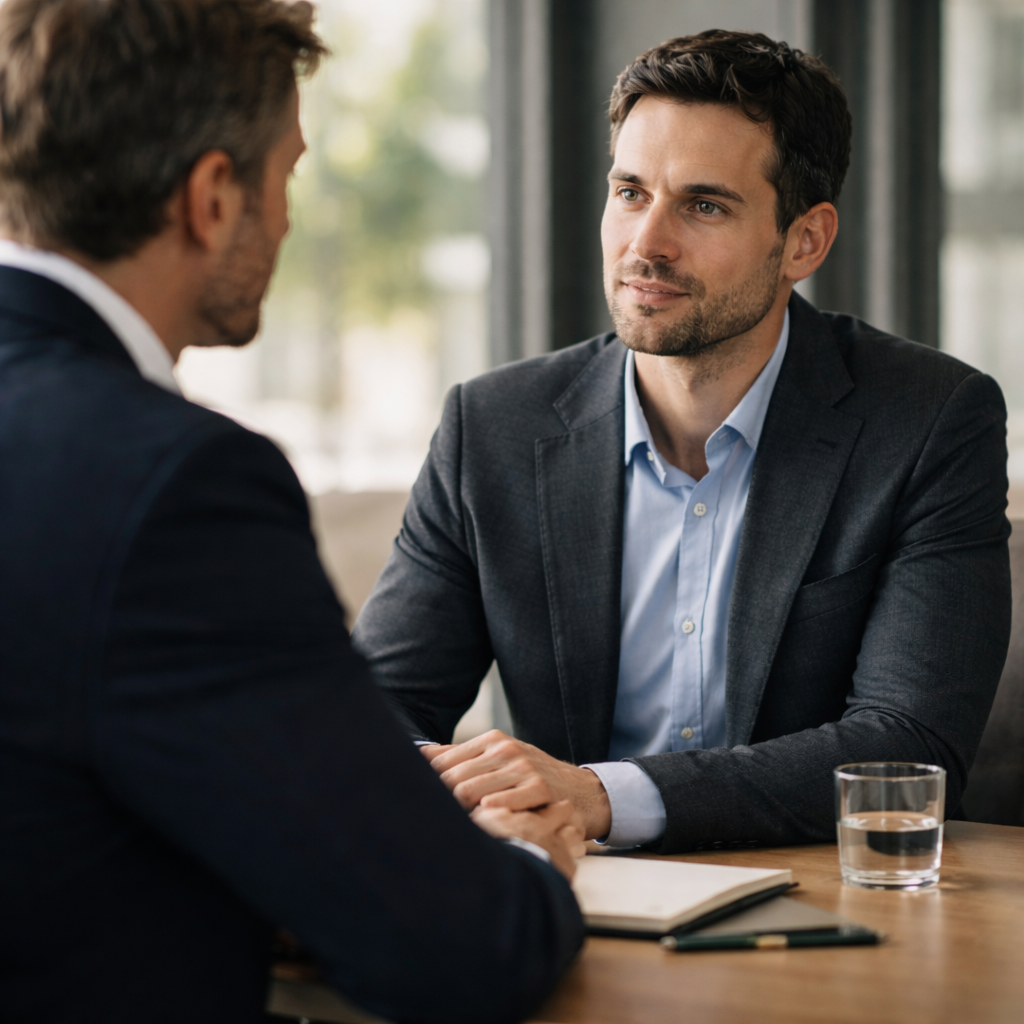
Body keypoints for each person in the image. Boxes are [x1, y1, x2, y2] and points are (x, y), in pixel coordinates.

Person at [0, 1, 585, 1022]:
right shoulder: (175, 486)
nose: (285, 215)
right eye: (287, 174)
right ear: (212, 196)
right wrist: (528, 866)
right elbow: (459, 944)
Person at [354, 30, 1012, 855]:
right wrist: (471, 791)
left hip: (821, 916)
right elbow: (373, 706)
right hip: (574, 898)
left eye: (704, 205)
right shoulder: (491, 428)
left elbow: (908, 747)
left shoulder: (929, 421)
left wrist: (598, 794)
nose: (646, 245)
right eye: (630, 192)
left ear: (805, 240)